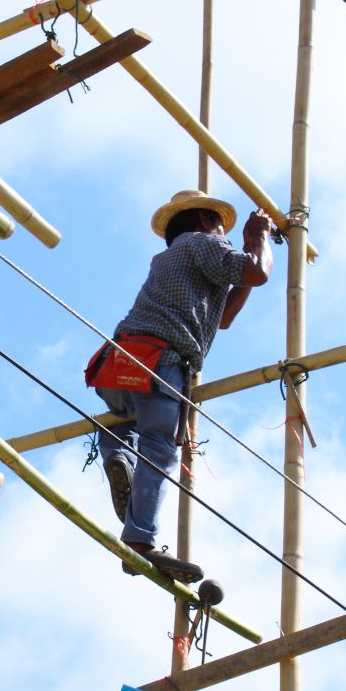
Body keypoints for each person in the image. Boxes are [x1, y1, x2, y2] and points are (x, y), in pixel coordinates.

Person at [85, 189, 274, 582]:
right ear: (205, 220)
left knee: (124, 422)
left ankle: (118, 456)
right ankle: (139, 539)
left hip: (121, 359)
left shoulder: (171, 256)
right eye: (220, 226)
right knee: (158, 446)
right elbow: (258, 271)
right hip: (163, 358)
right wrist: (259, 238)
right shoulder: (203, 242)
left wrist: (246, 255)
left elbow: (224, 317)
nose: (224, 234)